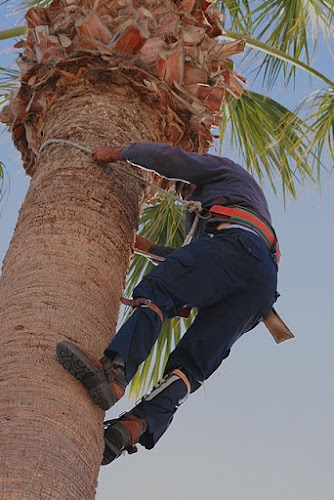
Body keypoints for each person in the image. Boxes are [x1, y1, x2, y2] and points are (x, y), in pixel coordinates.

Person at [56, 142, 279, 465]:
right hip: (261, 288)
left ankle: (114, 374)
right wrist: (145, 246)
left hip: (238, 246)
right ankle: (134, 426)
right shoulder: (237, 207)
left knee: (160, 289)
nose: (183, 192)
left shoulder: (223, 172)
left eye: (182, 186)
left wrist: (118, 153)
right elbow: (201, 261)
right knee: (191, 365)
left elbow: (168, 159)